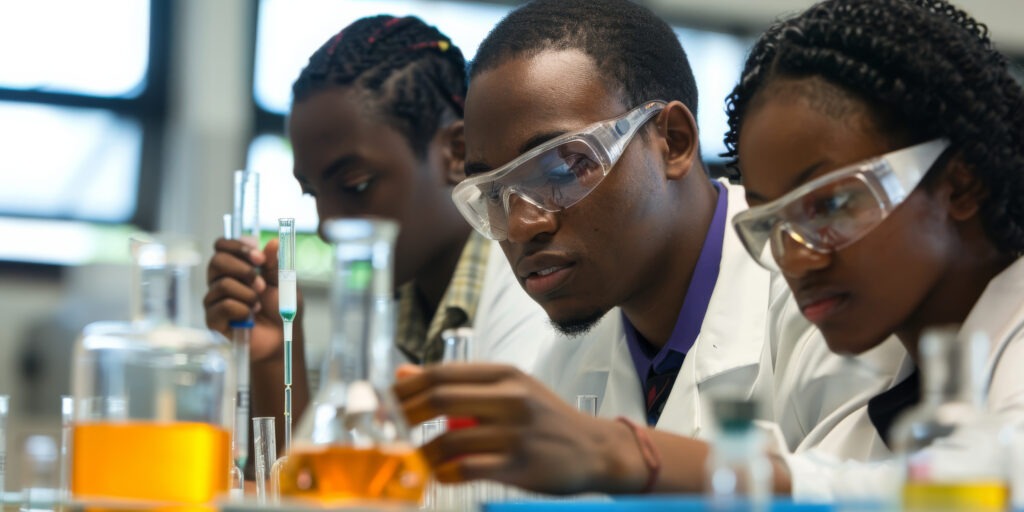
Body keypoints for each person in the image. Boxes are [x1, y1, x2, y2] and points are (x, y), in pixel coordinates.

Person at [394, 0, 904, 495]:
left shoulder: (820, 283)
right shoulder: (567, 355)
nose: (523, 225)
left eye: (564, 167)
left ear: (674, 142)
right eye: (492, 194)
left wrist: (626, 453)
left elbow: (877, 493)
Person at [203, 15, 552, 462]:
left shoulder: (534, 299)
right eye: (312, 192)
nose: (328, 224)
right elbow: (317, 489)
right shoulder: (398, 306)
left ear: (457, 153)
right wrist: (273, 354)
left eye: (357, 183)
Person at [723, 0, 1024, 499]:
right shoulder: (851, 437)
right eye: (771, 223)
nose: (796, 259)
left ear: (961, 184)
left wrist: (647, 461)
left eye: (833, 203)